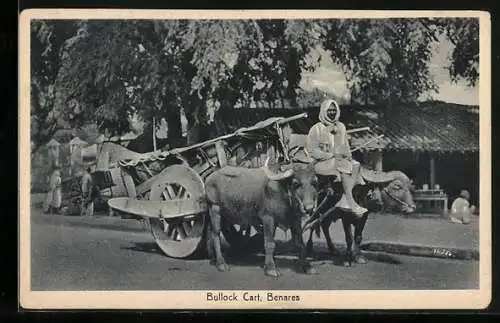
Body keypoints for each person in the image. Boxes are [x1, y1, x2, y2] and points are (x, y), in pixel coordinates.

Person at [306, 99, 368, 217]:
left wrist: (348, 155)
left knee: (356, 164)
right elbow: (311, 150)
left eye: (334, 110)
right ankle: (351, 202)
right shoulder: (316, 128)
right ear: (324, 111)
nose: (332, 112)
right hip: (320, 162)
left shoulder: (341, 127)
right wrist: (330, 155)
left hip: (338, 161)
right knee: (341, 164)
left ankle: (345, 196)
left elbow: (345, 146)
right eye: (329, 110)